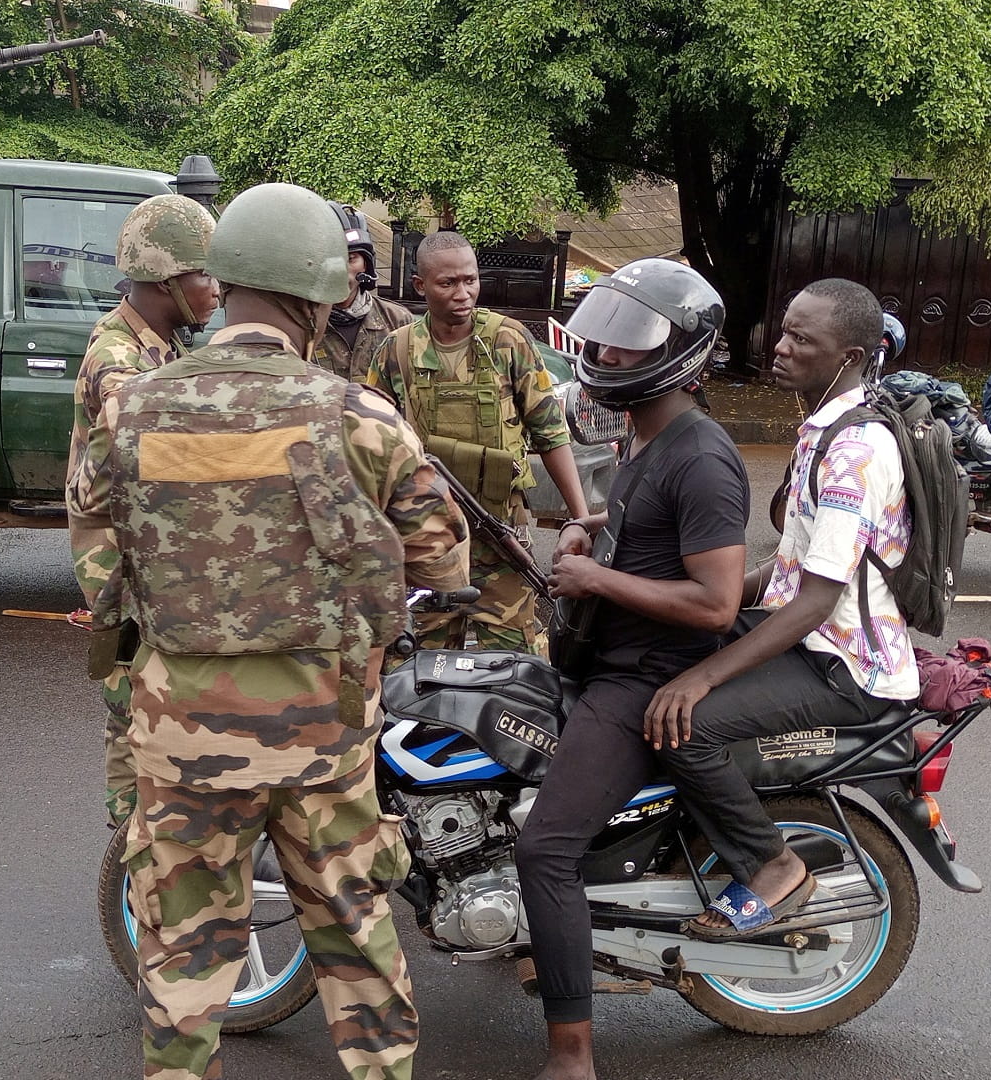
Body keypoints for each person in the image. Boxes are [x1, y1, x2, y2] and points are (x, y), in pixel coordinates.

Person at [68, 181, 470, 1080]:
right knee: (358, 951)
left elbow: (96, 544)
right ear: (314, 297)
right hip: (321, 738)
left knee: (181, 961)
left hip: (178, 736)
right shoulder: (358, 416)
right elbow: (442, 561)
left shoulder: (130, 407)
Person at [513, 259, 750, 1080]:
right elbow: (646, 519)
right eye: (603, 342)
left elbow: (717, 604)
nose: (607, 357)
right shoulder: (646, 429)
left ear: (683, 353)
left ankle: (571, 1055)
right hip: (606, 652)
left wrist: (595, 578)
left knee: (544, 847)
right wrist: (590, 526)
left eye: (626, 348)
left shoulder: (704, 456)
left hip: (646, 675)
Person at [642, 278, 917, 944]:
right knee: (653, 654)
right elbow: (790, 569)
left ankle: (774, 866)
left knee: (690, 723)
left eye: (802, 339)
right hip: (807, 634)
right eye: (783, 329)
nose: (781, 346)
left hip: (842, 665)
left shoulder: (854, 450)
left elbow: (819, 599)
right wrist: (705, 599)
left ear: (849, 355)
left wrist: (702, 678)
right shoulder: (825, 428)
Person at [67, 192, 219, 827]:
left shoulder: (164, 341)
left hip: (148, 547)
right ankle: (132, 858)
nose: (216, 289)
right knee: (135, 706)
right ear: (166, 278)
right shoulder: (120, 360)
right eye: (205, 274)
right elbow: (154, 469)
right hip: (122, 556)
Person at [365, 230, 590, 652]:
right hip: (426, 539)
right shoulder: (395, 352)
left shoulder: (508, 341)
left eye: (470, 280)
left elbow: (550, 433)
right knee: (418, 665)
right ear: (420, 286)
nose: (462, 292)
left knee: (508, 662)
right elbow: (373, 448)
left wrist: (578, 520)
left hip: (500, 532)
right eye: (447, 283)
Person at [313, 202, 412, 380]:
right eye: (332, 259)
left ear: (366, 265)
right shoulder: (303, 323)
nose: (341, 270)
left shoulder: (397, 321)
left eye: (351, 259)